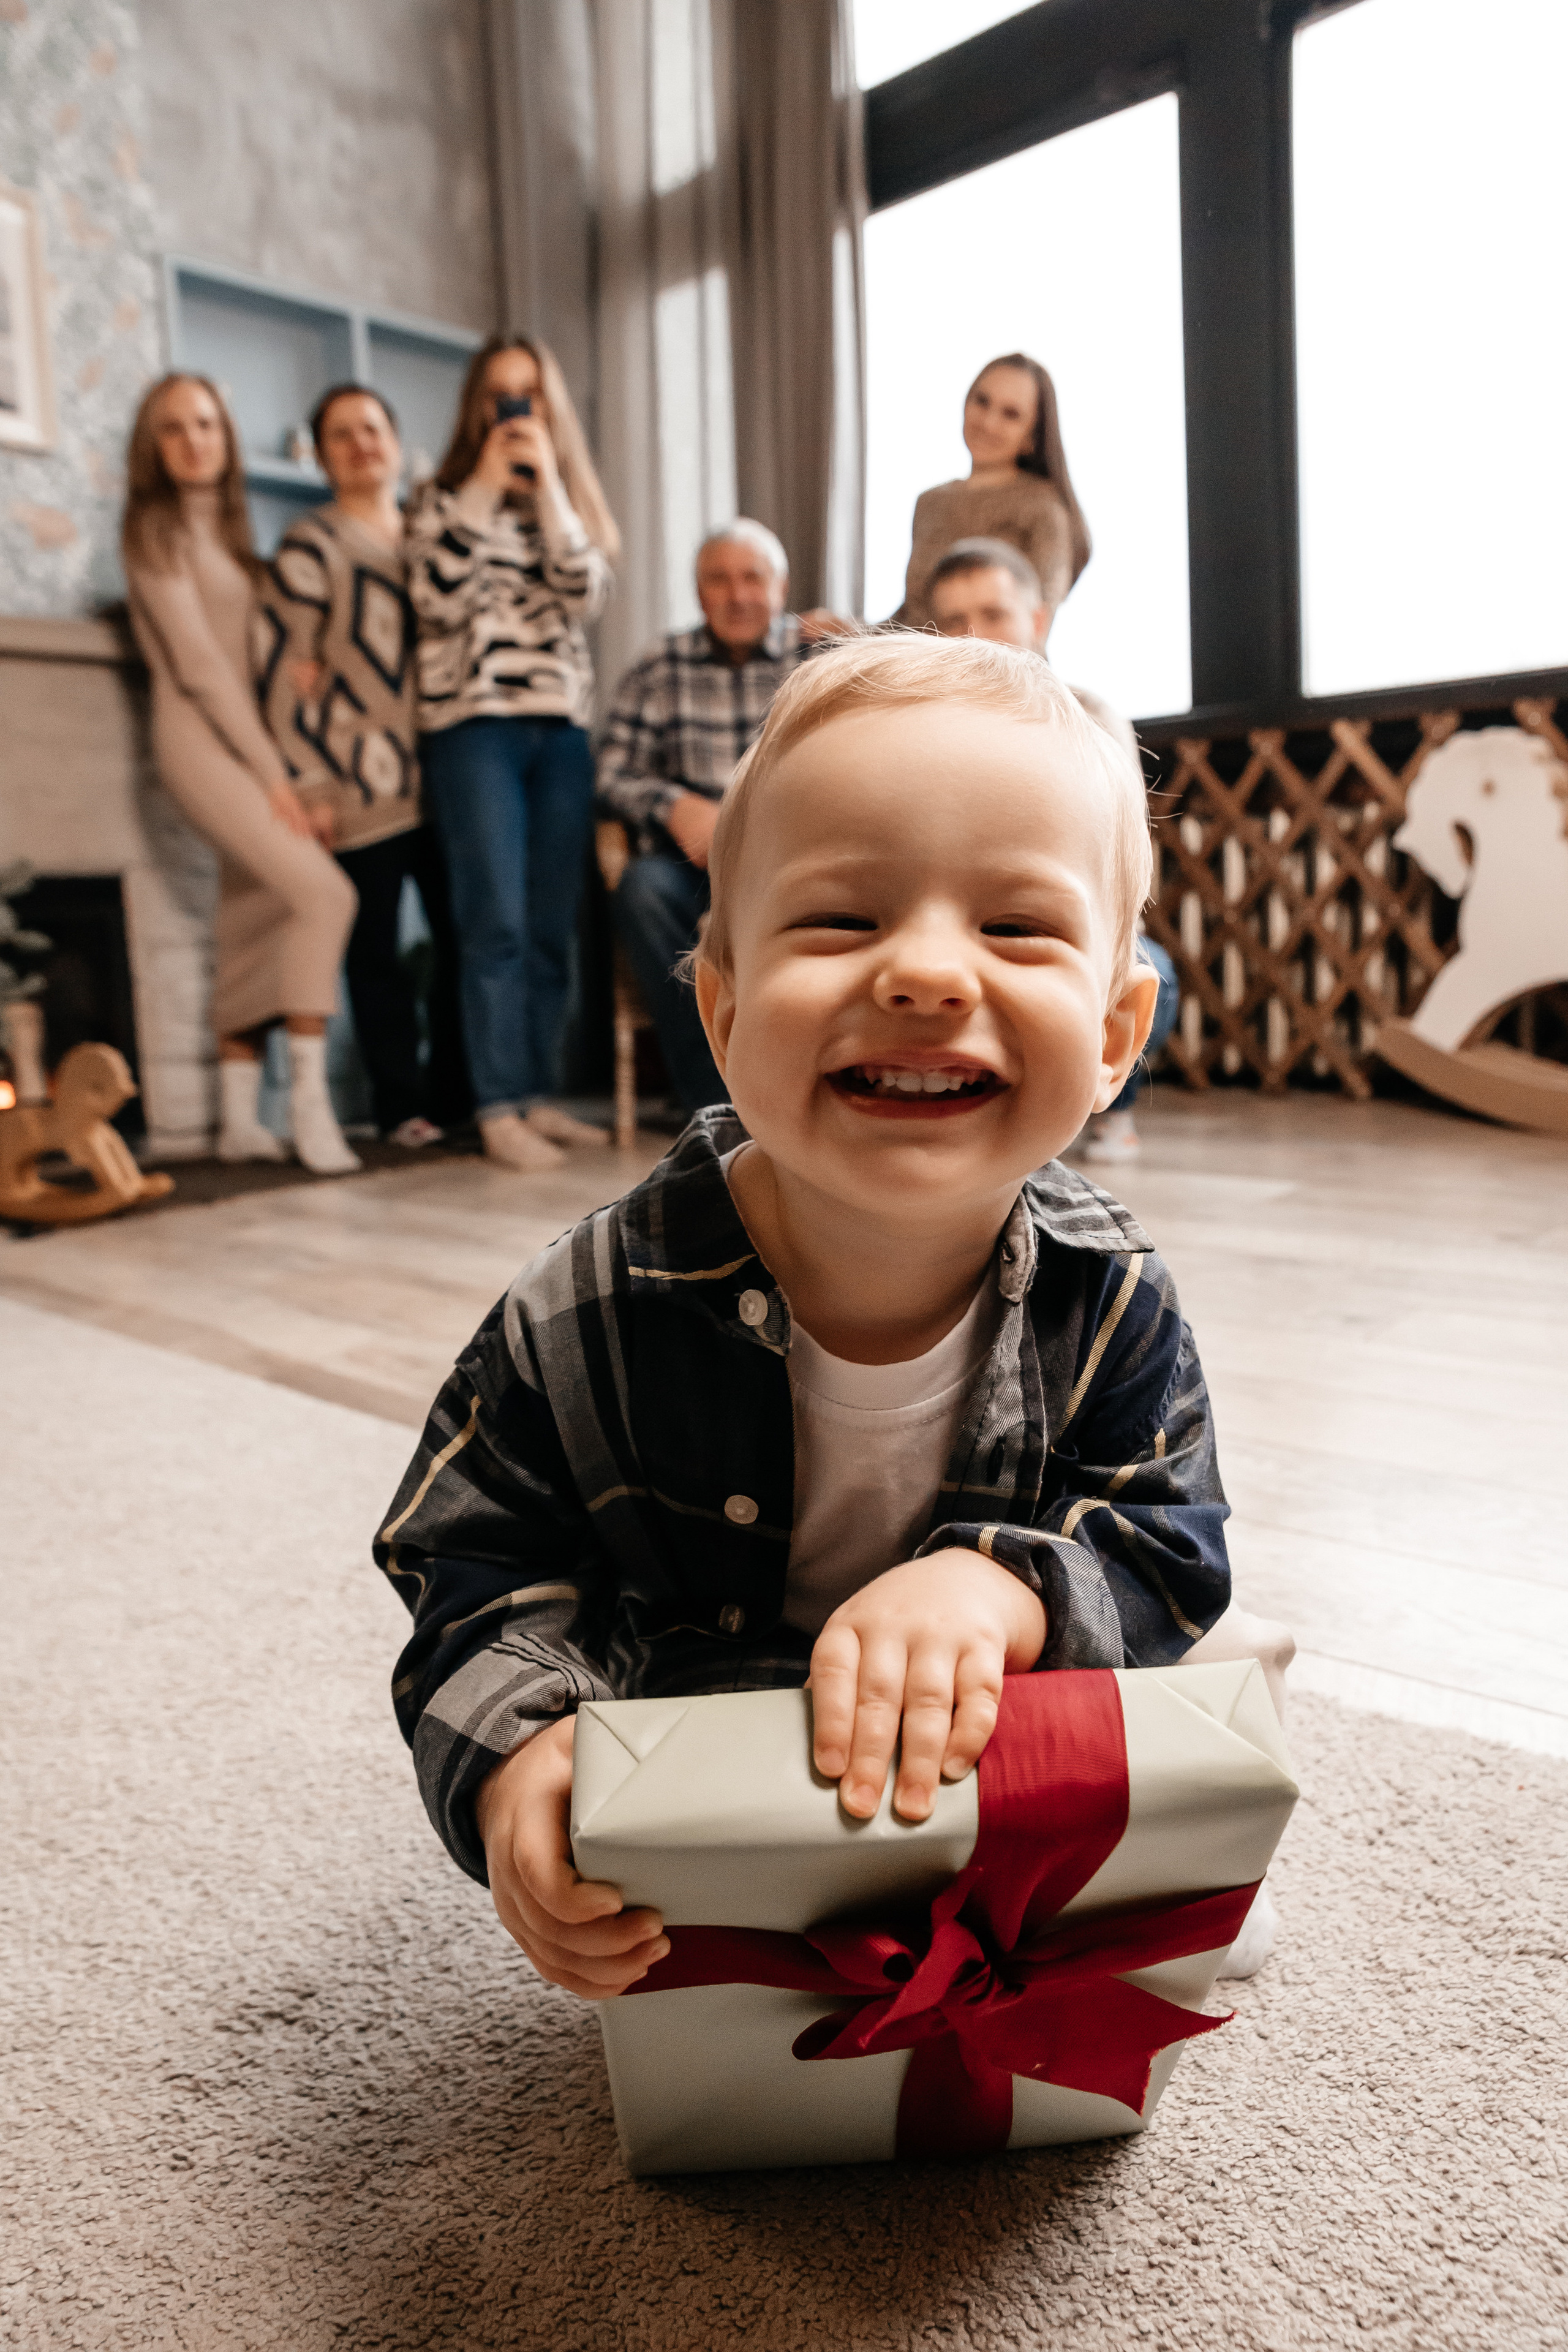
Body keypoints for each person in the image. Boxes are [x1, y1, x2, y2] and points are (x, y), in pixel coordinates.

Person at [375, 632, 1293, 1997]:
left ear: (1114, 1034)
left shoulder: (1112, 1298)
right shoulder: (584, 1309)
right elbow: (471, 1567)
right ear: (723, 1005)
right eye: (843, 920)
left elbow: (1166, 1545)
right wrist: (520, 1758)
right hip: (705, 1745)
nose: (926, 975)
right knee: (716, 1993)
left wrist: (999, 1586)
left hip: (981, 1725)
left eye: (1014, 928)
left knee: (1215, 1722)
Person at [121, 373, 360, 1173]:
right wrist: (277, 778)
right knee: (327, 893)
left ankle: (235, 1118)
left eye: (206, 425)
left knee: (254, 910)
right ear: (153, 449)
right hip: (198, 739)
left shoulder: (236, 545)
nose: (193, 441)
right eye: (173, 429)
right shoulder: (153, 535)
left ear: (225, 439)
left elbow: (255, 662)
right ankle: (310, 1110)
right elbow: (198, 668)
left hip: (247, 737)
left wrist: (302, 674)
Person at [407, 335, 619, 1174]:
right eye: (499, 395)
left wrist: (550, 492)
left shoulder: (572, 503)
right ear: (475, 406)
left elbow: (586, 592)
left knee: (547, 927)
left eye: (528, 394)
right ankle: (497, 1106)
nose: (513, 411)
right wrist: (486, 489)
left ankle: (535, 1095)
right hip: (473, 727)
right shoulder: (438, 499)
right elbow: (434, 594)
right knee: (492, 921)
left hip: (560, 728)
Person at [256, 382, 470, 1148]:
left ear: (395, 441)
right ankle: (398, 1106)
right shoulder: (310, 545)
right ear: (319, 454)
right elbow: (288, 668)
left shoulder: (426, 535)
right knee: (375, 949)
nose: (360, 444)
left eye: (372, 428)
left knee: (459, 942)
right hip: (360, 777)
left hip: (446, 772)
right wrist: (310, 780)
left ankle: (458, 1097)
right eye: (341, 434)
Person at [927, 536, 1180, 1164]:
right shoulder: (920, 732)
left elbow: (1119, 861)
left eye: (993, 614)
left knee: (1155, 978)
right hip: (940, 925)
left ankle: (1096, 1106)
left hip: (1055, 922)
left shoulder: (1091, 715)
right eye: (954, 620)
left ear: (1036, 620)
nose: (974, 634)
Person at [596, 519, 818, 1115]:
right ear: (698, 593)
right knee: (641, 890)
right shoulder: (658, 666)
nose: (737, 595)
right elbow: (611, 772)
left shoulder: (817, 659)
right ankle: (712, 1099)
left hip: (786, 850)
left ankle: (797, 1091)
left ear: (781, 586)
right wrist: (673, 807)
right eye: (718, 580)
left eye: (752, 578)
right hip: (688, 854)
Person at [893, 353, 1090, 636]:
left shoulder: (1044, 508)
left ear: (1031, 436)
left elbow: (1032, 634)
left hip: (1001, 675)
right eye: (982, 401)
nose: (988, 423)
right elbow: (915, 619)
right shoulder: (930, 503)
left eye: (1011, 414)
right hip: (923, 673)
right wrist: (847, 632)